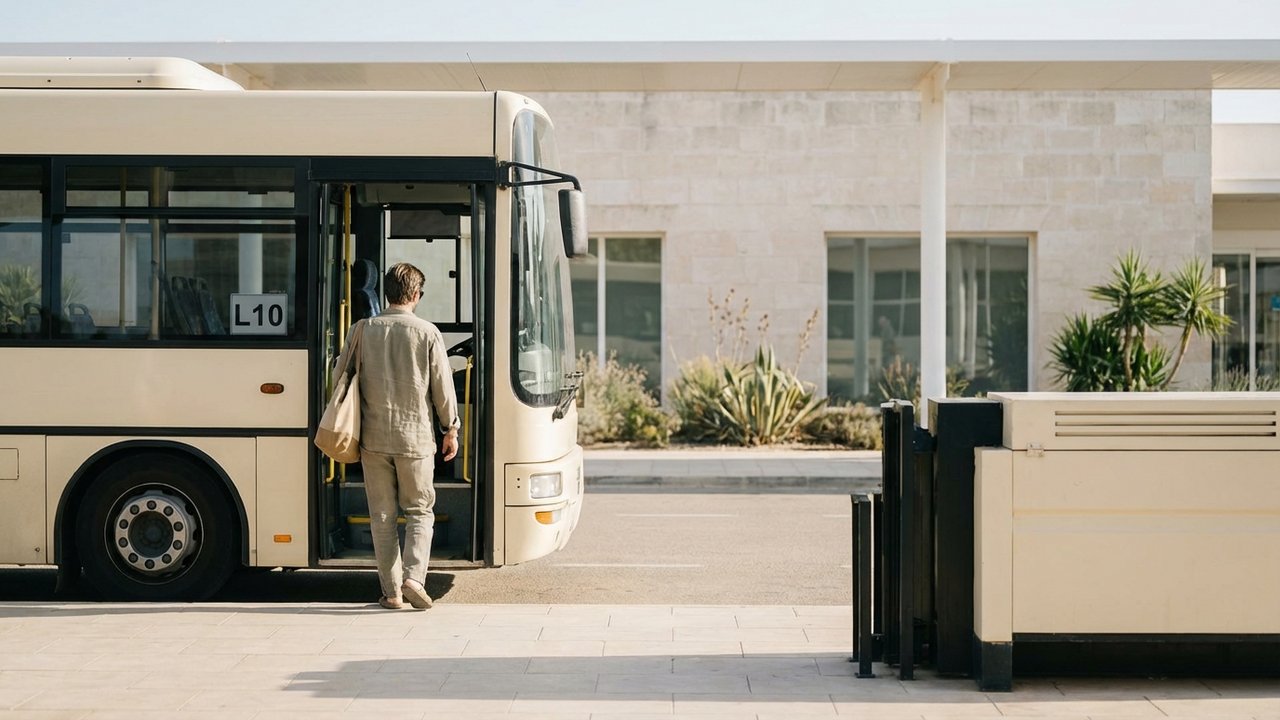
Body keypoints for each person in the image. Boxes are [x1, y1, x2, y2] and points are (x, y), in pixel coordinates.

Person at [335, 262, 459, 610]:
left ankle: (391, 592)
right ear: (416, 295)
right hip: (415, 440)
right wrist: (451, 428)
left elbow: (339, 379)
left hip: (372, 440)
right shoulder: (428, 333)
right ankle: (413, 579)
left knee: (383, 517)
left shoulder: (362, 329)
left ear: (386, 293)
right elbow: (442, 388)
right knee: (420, 510)